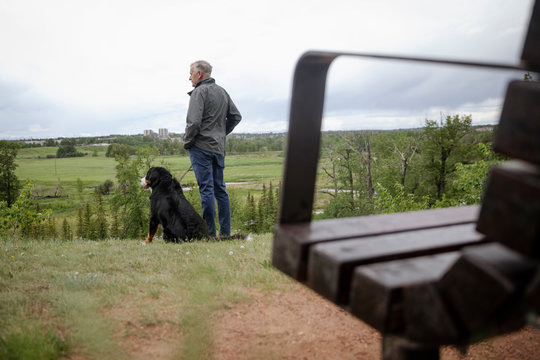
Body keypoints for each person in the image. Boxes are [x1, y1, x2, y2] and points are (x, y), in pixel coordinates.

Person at [183, 60, 242, 238]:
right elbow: (236, 116)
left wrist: (187, 142)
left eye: (191, 74)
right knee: (220, 190)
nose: (189, 78)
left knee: (206, 190)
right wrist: (221, 133)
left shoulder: (199, 92)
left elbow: (193, 123)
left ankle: (208, 234)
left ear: (199, 74)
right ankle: (224, 233)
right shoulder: (222, 92)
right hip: (218, 148)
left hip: (200, 147)